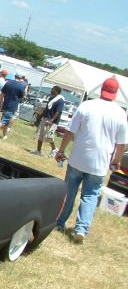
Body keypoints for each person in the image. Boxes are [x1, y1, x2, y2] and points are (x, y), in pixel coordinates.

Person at [54, 77, 127, 244]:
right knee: (90, 196)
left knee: (69, 192)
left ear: (101, 90)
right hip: (100, 164)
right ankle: (81, 229)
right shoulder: (120, 114)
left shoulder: (86, 105)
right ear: (115, 94)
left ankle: (59, 222)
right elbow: (122, 143)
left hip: (78, 159)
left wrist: (61, 150)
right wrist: (116, 160)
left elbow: (70, 131)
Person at [0, 73, 26, 140]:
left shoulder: (8, 83)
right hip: (12, 106)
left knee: (6, 121)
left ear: (15, 76)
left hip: (5, 104)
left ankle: (4, 135)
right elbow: (22, 97)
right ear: (21, 78)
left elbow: (2, 94)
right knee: (4, 120)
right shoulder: (21, 86)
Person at [30, 85, 65, 157]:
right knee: (41, 135)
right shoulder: (51, 98)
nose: (51, 90)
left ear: (56, 90)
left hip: (52, 121)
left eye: (52, 89)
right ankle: (38, 151)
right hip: (46, 118)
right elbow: (47, 108)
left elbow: (58, 112)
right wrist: (40, 116)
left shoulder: (60, 100)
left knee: (49, 136)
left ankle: (54, 150)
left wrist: (51, 120)